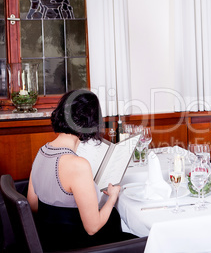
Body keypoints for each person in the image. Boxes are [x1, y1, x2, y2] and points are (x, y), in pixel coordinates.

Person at [27, 89, 135, 251]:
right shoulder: (78, 165)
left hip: (49, 242)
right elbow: (92, 227)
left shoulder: (41, 152)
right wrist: (112, 197)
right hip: (78, 246)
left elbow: (33, 205)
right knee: (140, 235)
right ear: (90, 123)